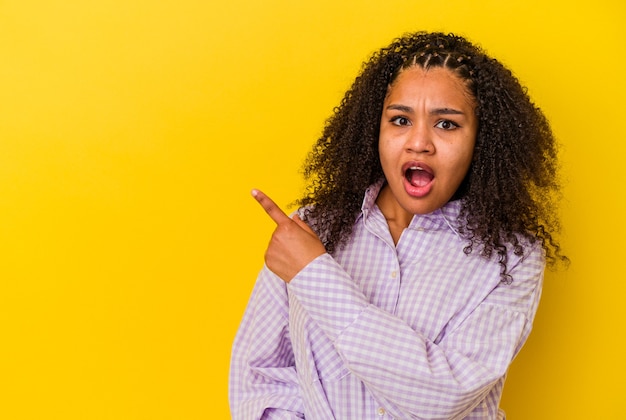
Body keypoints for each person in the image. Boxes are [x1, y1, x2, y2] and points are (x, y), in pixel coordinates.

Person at [229, 31, 567, 419]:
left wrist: (315, 277)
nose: (419, 142)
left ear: (482, 141)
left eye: (447, 125)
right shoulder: (309, 230)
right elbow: (261, 379)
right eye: (401, 120)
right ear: (375, 129)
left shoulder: (512, 257)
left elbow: (445, 395)